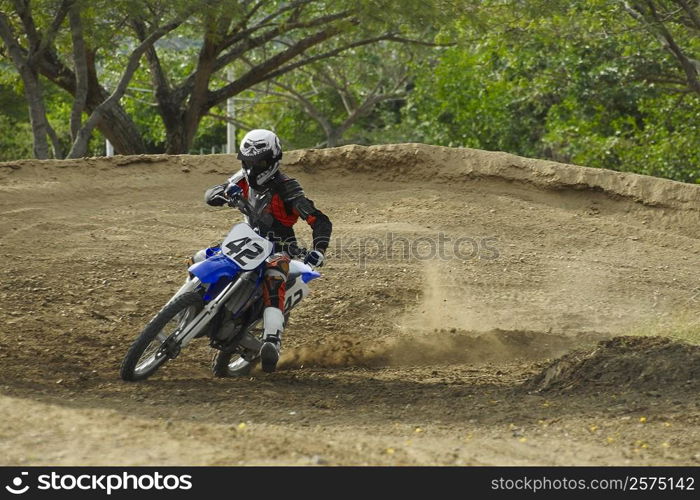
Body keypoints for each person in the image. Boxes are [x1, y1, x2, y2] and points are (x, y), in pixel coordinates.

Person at [201, 129, 332, 373]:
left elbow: (320, 220)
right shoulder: (241, 178)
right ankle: (189, 303)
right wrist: (220, 195)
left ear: (272, 161)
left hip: (279, 248)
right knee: (201, 257)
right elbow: (211, 193)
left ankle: (271, 341)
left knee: (274, 279)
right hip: (245, 242)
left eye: (258, 162)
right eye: (246, 162)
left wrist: (319, 250)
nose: (251, 168)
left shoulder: (287, 188)